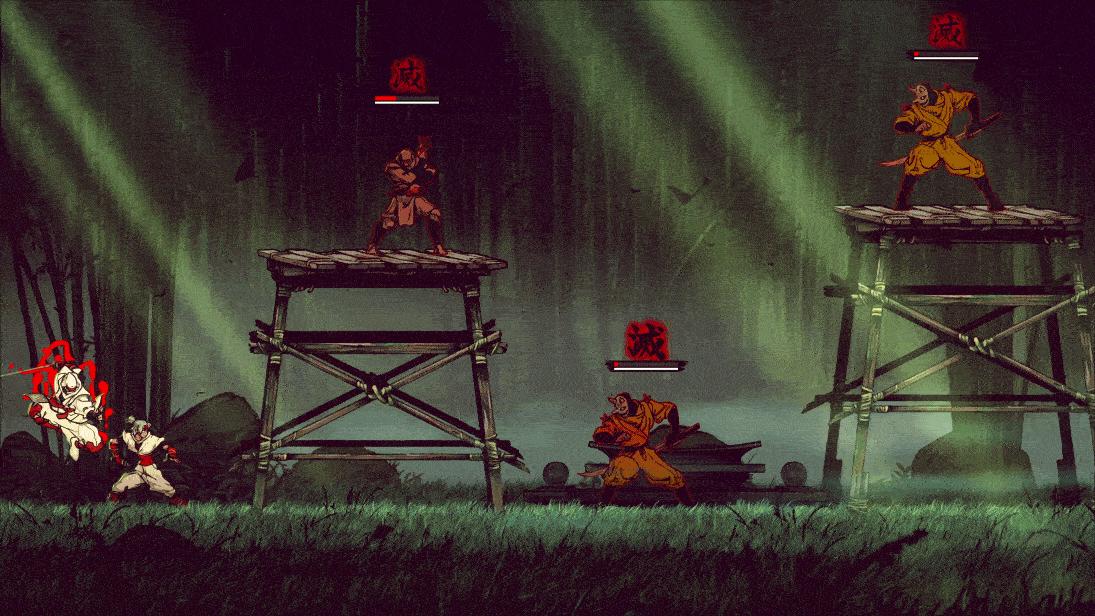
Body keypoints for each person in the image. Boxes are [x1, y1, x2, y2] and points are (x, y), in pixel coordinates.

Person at [891, 82, 1003, 211]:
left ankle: (993, 201)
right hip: (929, 145)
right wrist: (915, 127)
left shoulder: (947, 97)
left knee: (974, 166)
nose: (919, 95)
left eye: (921, 91)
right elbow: (900, 124)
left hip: (946, 143)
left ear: (929, 91)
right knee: (915, 162)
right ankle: (901, 202)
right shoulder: (916, 109)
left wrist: (975, 121)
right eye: (917, 94)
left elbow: (970, 98)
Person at [592, 392, 695, 506]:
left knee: (672, 476)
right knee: (616, 473)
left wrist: (674, 432)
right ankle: (602, 506)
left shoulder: (646, 408)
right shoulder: (615, 420)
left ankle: (689, 506)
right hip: (625, 453)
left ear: (629, 401)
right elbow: (602, 433)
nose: (619, 405)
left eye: (621, 401)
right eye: (616, 404)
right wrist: (613, 438)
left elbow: (670, 408)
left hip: (643, 453)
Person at [366, 137, 446, 256]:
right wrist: (422, 164)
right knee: (388, 222)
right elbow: (412, 178)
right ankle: (372, 246)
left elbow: (429, 175)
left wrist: (423, 167)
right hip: (401, 199)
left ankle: (438, 246)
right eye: (404, 162)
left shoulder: (418, 164)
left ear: (413, 159)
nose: (406, 164)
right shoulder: (392, 167)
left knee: (434, 214)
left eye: (409, 161)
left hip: (415, 198)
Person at [25, 364, 107, 461]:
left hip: (68, 417)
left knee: (67, 427)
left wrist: (92, 414)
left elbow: (84, 408)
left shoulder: (80, 397)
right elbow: (68, 368)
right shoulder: (63, 378)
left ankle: (41, 411)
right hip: (64, 413)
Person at [107, 416, 187, 506]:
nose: (140, 435)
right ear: (134, 430)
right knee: (124, 482)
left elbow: (166, 446)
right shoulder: (129, 437)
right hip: (137, 468)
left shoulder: (152, 440)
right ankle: (113, 498)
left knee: (162, 485)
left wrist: (172, 455)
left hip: (149, 469)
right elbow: (114, 442)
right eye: (138, 433)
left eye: (144, 432)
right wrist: (117, 457)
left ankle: (177, 500)